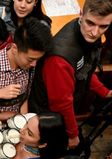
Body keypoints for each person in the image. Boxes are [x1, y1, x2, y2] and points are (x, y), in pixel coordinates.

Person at [29, 0, 112, 150]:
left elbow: (85, 68)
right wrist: (72, 135)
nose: (95, 32)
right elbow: (61, 103)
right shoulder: (60, 58)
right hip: (47, 116)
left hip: (64, 108)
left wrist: (103, 91)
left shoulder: (88, 34)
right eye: (90, 23)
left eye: (103, 26)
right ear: (81, 14)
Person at [0, 18, 52, 121]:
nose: (34, 64)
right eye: (30, 59)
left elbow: (24, 98)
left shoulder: (29, 66)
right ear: (15, 49)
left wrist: (22, 120)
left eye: (37, 59)